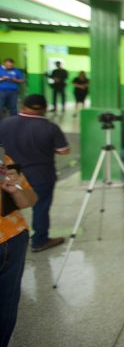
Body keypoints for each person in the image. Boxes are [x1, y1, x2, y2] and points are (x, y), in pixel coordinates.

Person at [0, 94, 69, 252]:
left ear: (23, 106)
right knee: (40, 207)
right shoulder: (50, 127)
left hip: (11, 174)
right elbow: (63, 150)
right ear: (44, 109)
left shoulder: (5, 123)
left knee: (10, 207)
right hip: (41, 175)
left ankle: (10, 239)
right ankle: (39, 241)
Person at [0, 154, 37, 347]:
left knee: (5, 310)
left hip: (11, 240)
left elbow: (30, 199)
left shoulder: (4, 159)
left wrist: (15, 190)